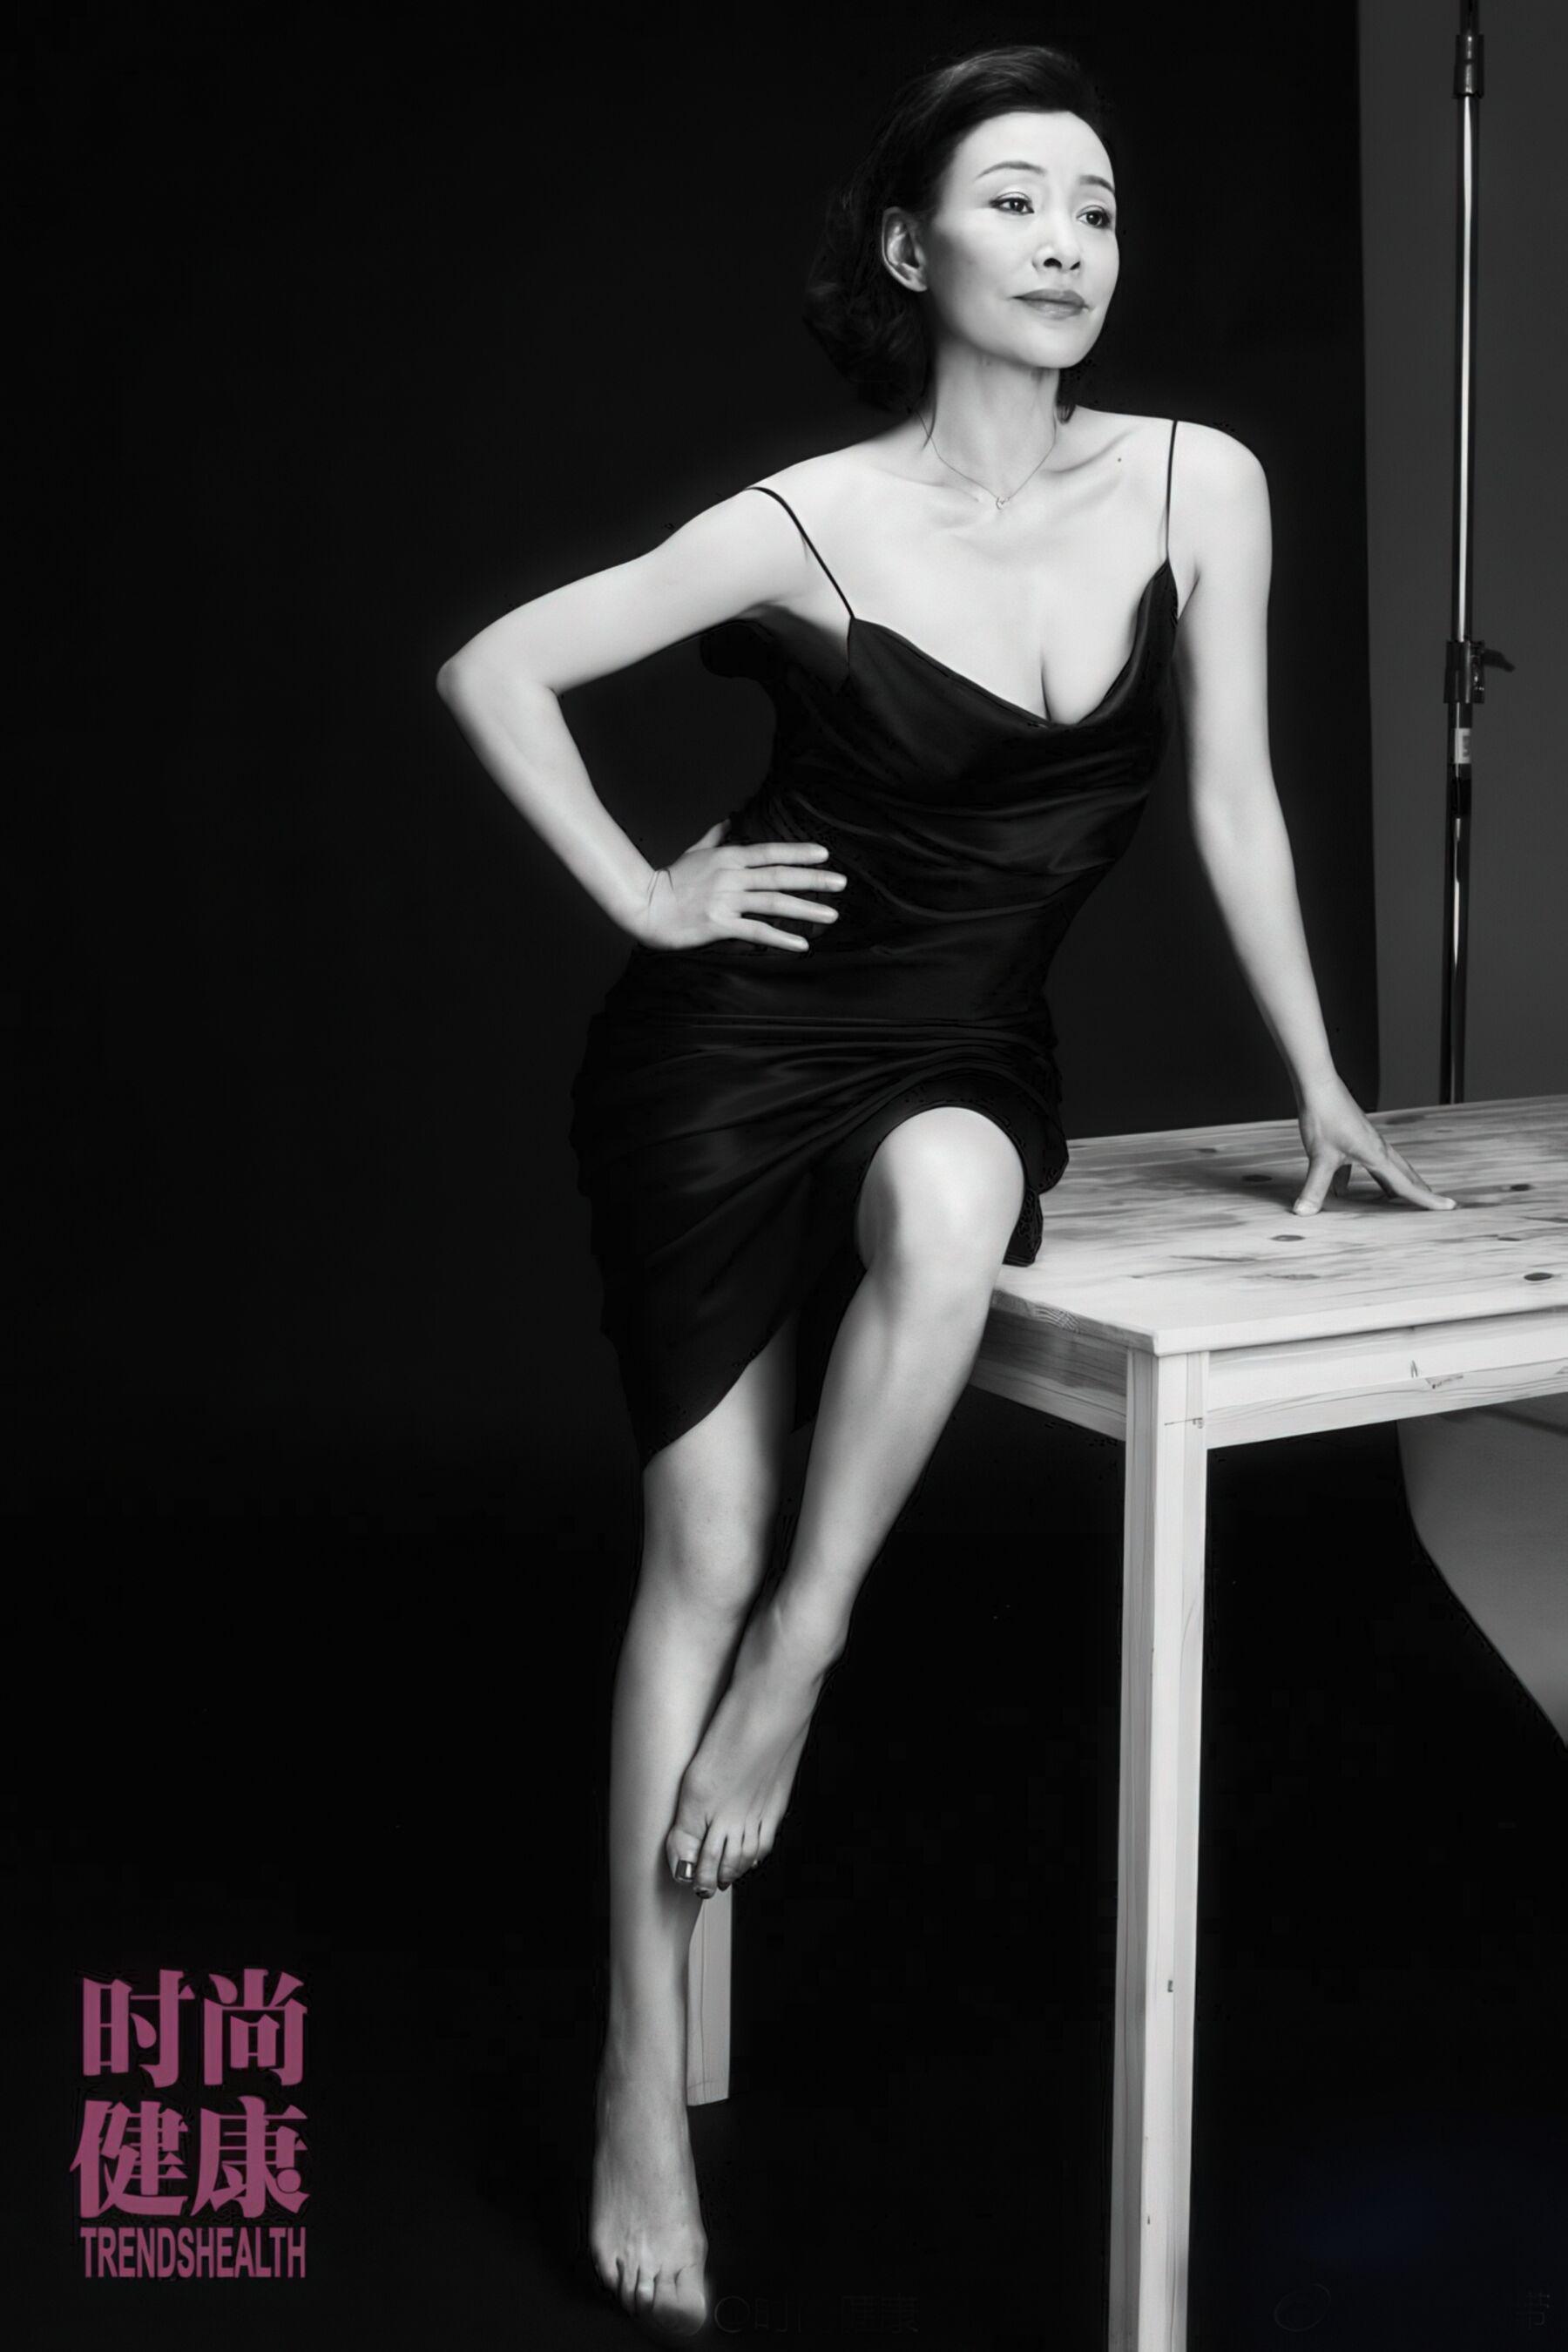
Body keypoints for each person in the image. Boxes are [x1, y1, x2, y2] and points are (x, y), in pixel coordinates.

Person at [436, 40, 1456, 2342]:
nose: (1070, 239)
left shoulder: (1200, 482)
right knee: (694, 1543)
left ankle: (808, 1654)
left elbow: (1233, 799)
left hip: (962, 1046)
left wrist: (1320, 1078)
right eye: (1016, 199)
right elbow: (499, 665)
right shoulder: (806, 524)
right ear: (911, 248)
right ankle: (635, 2075)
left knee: (945, 1210)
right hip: (722, 1065)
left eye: (1098, 204)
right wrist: (649, 894)